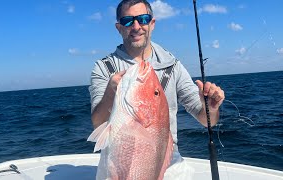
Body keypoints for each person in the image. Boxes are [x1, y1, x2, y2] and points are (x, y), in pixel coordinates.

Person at [89, 0, 225, 165]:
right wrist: (111, 92)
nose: (136, 26)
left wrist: (210, 108)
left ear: (152, 24)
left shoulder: (172, 66)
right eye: (127, 21)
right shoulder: (104, 68)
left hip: (165, 161)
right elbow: (98, 124)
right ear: (119, 27)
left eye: (143, 19)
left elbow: (205, 120)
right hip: (119, 162)